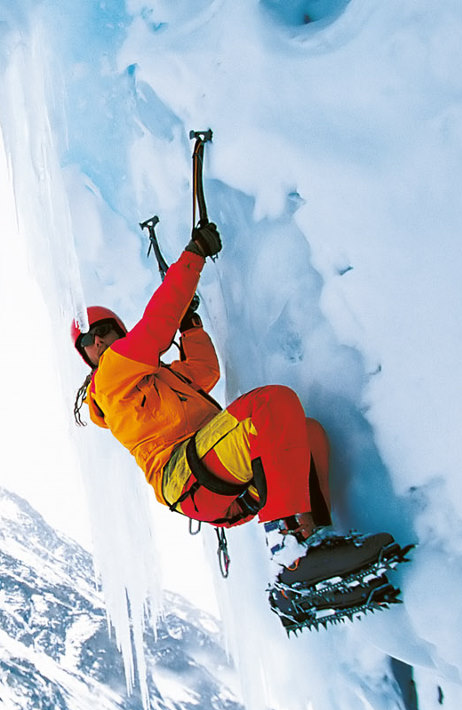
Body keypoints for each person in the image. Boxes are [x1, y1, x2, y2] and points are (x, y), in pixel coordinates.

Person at [71, 222, 336, 550]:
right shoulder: (109, 378)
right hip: (187, 474)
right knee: (269, 405)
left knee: (305, 433)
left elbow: (205, 371)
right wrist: (193, 256)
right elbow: (156, 327)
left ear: (119, 332)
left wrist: (190, 326)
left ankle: (319, 541)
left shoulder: (162, 379)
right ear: (87, 355)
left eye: (105, 329)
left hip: (215, 485)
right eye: (87, 338)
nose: (98, 339)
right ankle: (287, 544)